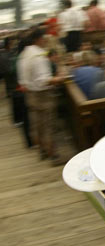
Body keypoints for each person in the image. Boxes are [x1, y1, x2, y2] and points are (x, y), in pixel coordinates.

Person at [16, 28, 67, 163]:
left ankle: (43, 151)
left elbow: (22, 80)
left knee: (37, 125)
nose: (45, 40)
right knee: (48, 126)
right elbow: (44, 80)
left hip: (30, 95)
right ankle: (53, 155)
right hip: (43, 96)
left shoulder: (24, 54)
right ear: (38, 39)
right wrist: (60, 78)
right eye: (44, 38)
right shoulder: (39, 56)